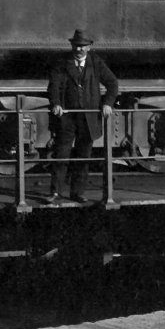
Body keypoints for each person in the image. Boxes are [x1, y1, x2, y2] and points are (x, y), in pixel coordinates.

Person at [46, 29, 120, 203]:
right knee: (61, 155)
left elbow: (112, 83)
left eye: (82, 46)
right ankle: (55, 192)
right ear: (72, 45)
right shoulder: (62, 63)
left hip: (89, 117)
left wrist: (107, 104)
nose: (79, 49)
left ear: (89, 47)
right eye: (76, 45)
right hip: (67, 117)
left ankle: (77, 192)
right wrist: (56, 104)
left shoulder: (96, 62)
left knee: (84, 156)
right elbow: (53, 86)